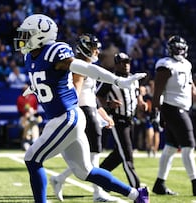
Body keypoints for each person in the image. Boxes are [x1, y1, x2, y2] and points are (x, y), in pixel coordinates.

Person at [13, 14, 149, 203]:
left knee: (32, 159)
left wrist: (118, 80)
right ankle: (137, 195)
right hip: (63, 117)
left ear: (41, 35)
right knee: (85, 171)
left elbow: (85, 68)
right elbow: (45, 78)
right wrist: (33, 88)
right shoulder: (30, 56)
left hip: (66, 116)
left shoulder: (54, 52)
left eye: (27, 34)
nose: (23, 38)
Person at [49, 33, 118, 202]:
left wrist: (103, 113)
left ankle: (60, 179)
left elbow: (91, 95)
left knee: (89, 156)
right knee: (93, 153)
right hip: (83, 110)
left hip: (90, 109)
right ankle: (97, 193)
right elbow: (76, 92)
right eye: (94, 49)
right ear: (86, 48)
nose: (97, 52)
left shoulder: (85, 64)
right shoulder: (78, 66)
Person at [151, 35, 196, 196]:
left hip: (183, 109)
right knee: (189, 146)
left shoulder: (186, 64)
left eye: (181, 47)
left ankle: (159, 184)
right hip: (172, 109)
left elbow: (191, 89)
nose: (179, 50)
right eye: (176, 48)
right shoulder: (165, 64)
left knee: (171, 147)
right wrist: (155, 112)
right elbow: (157, 91)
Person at [96, 52, 147, 189]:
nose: (126, 65)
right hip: (117, 120)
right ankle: (137, 189)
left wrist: (141, 103)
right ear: (117, 64)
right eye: (123, 62)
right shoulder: (110, 79)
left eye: (128, 62)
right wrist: (108, 104)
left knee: (119, 154)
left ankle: (99, 177)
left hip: (131, 120)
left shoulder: (133, 79)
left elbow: (137, 95)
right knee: (127, 156)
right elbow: (97, 97)